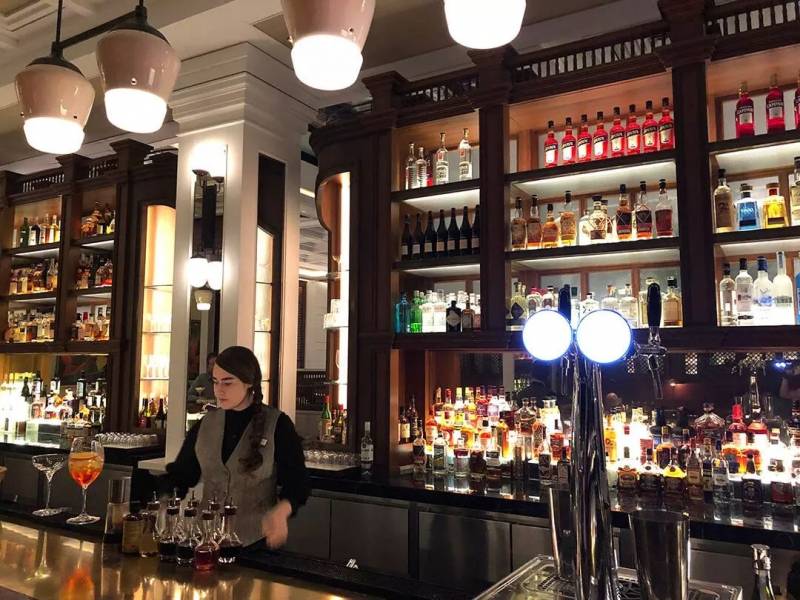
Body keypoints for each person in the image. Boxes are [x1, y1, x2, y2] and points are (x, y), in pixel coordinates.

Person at [146, 346, 309, 548]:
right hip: (206, 541)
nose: (218, 390)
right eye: (215, 381)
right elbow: (182, 475)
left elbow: (298, 482)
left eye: (227, 382)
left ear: (249, 383)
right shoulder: (206, 424)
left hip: (255, 542)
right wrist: (162, 497)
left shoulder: (278, 425)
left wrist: (281, 511)